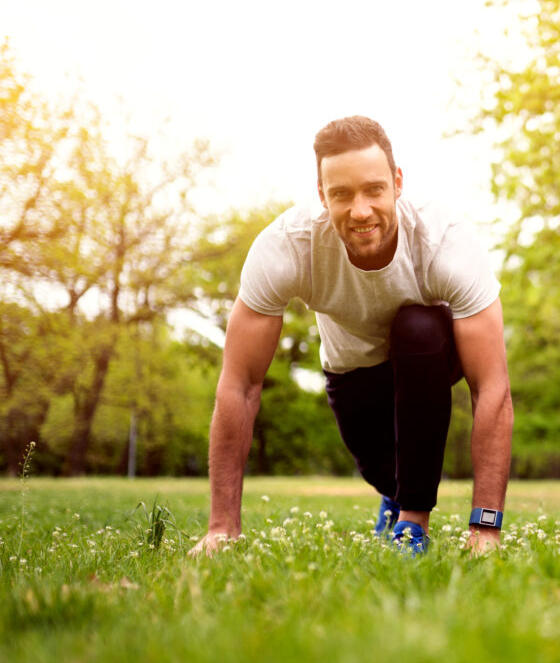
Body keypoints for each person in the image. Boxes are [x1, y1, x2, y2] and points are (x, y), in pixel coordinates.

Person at [189, 116, 513, 556]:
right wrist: (221, 527)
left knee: (416, 326)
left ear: (397, 183)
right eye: (341, 194)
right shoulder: (287, 247)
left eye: (374, 189)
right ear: (322, 195)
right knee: (390, 478)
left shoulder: (445, 242)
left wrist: (486, 529)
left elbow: (492, 387)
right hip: (354, 375)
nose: (360, 210)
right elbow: (241, 384)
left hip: (431, 358)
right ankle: (396, 498)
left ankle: (411, 526)